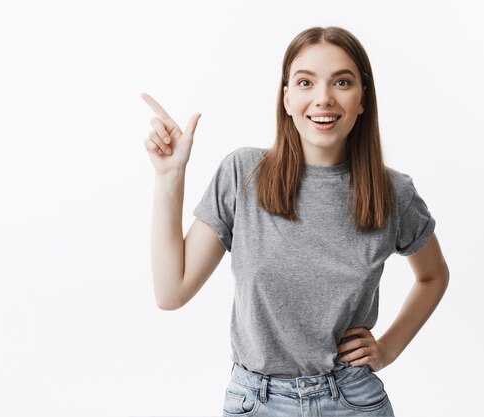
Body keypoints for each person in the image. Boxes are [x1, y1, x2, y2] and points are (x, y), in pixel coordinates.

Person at [142, 26, 449, 417]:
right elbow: (171, 293)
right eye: (305, 82)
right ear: (286, 97)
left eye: (342, 81)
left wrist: (388, 348)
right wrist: (169, 177)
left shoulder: (393, 193)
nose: (323, 98)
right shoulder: (242, 174)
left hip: (352, 401)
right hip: (256, 402)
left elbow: (433, 276)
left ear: (362, 100)